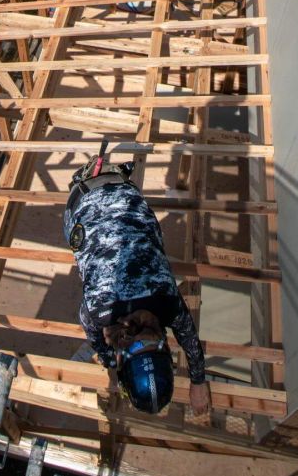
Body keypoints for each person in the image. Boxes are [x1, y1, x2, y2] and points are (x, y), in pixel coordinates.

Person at [63, 152, 211, 417]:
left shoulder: (167, 301)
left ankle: (107, 175)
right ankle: (89, 178)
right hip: (80, 199)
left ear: (165, 348)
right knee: (86, 254)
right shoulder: (97, 311)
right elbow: (97, 340)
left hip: (126, 191)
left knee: (147, 238)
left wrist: (199, 382)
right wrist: (110, 359)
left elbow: (189, 339)